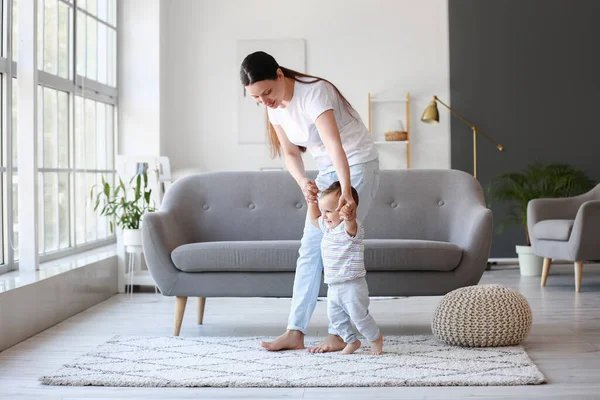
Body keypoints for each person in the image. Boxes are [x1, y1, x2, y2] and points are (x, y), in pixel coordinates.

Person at [240, 51, 380, 352]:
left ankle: (340, 334)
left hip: (356, 162)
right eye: (256, 99)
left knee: (337, 244)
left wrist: (345, 190)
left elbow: (335, 145)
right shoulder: (274, 107)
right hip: (328, 168)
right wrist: (303, 181)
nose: (265, 102)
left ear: (280, 75)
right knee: (310, 250)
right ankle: (295, 330)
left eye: (267, 93)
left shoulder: (314, 92)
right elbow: (291, 153)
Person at [307, 182, 383, 355]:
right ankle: (351, 341)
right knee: (335, 318)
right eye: (323, 210)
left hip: (352, 284)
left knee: (359, 316)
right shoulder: (328, 227)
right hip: (333, 285)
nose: (324, 216)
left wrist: (349, 216)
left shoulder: (350, 228)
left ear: (344, 210)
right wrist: (312, 202)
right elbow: (313, 219)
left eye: (328, 211)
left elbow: (350, 223)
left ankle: (375, 338)